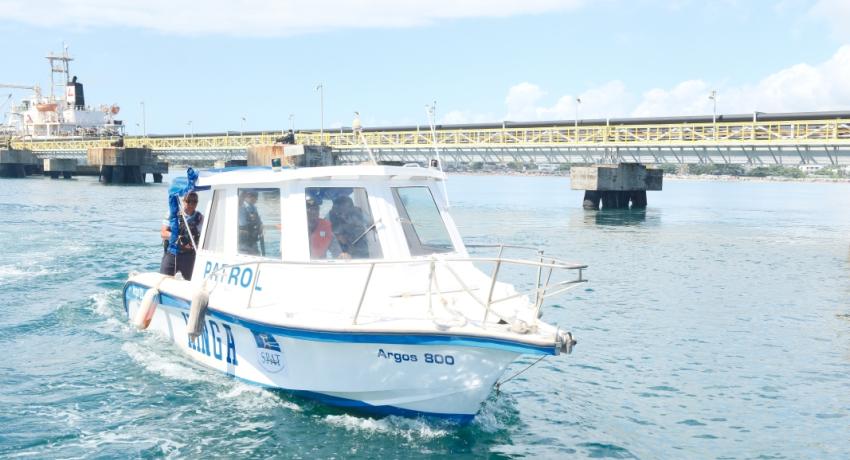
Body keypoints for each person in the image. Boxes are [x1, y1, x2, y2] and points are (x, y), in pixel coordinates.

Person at [160, 192, 203, 280]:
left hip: (189, 256)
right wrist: (177, 238)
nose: (191, 204)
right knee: (163, 279)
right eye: (188, 201)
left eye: (194, 201)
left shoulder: (200, 218)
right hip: (172, 253)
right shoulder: (173, 214)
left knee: (188, 282)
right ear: (183, 201)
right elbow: (163, 233)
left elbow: (203, 237)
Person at [238, 190, 264, 255]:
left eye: (256, 197)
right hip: (244, 241)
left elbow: (258, 221)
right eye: (255, 197)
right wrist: (244, 192)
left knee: (257, 255)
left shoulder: (254, 207)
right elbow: (239, 202)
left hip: (253, 239)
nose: (256, 200)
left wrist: (260, 225)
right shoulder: (241, 206)